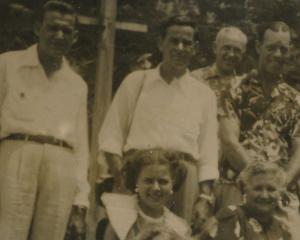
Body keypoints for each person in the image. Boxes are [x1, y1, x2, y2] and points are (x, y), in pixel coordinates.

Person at [98, 15, 219, 223]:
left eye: (187, 43)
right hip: (137, 176)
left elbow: (208, 153)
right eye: (174, 40)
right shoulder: (136, 82)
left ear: (195, 48)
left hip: (183, 181)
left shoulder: (204, 94)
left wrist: (204, 197)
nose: (180, 48)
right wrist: (122, 182)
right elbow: (111, 136)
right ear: (160, 42)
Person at [0, 1, 89, 240]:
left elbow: (80, 147)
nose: (59, 35)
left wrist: (81, 200)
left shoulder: (77, 84)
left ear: (75, 37)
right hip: (14, 158)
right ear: (38, 28)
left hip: (61, 166)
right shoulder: (7, 64)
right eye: (52, 28)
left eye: (66, 31)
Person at [220, 21, 300, 196]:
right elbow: (229, 142)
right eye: (271, 48)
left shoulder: (295, 100)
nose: (278, 54)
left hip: (281, 189)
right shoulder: (234, 89)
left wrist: (281, 184)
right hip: (239, 184)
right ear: (258, 47)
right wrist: (263, 182)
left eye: (283, 49)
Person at [192, 26, 248, 212]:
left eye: (237, 50)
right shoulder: (194, 80)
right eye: (227, 48)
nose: (231, 54)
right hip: (198, 169)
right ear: (216, 47)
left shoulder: (245, 87)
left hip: (232, 176)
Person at [99, 149, 191, 240]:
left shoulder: (179, 227)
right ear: (136, 182)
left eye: (163, 182)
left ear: (173, 183)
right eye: (148, 181)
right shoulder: (119, 217)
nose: (156, 188)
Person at [201, 161, 298, 240]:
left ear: (280, 193)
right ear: (244, 190)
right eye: (258, 188)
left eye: (271, 189)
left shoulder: (281, 228)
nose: (264, 195)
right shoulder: (231, 216)